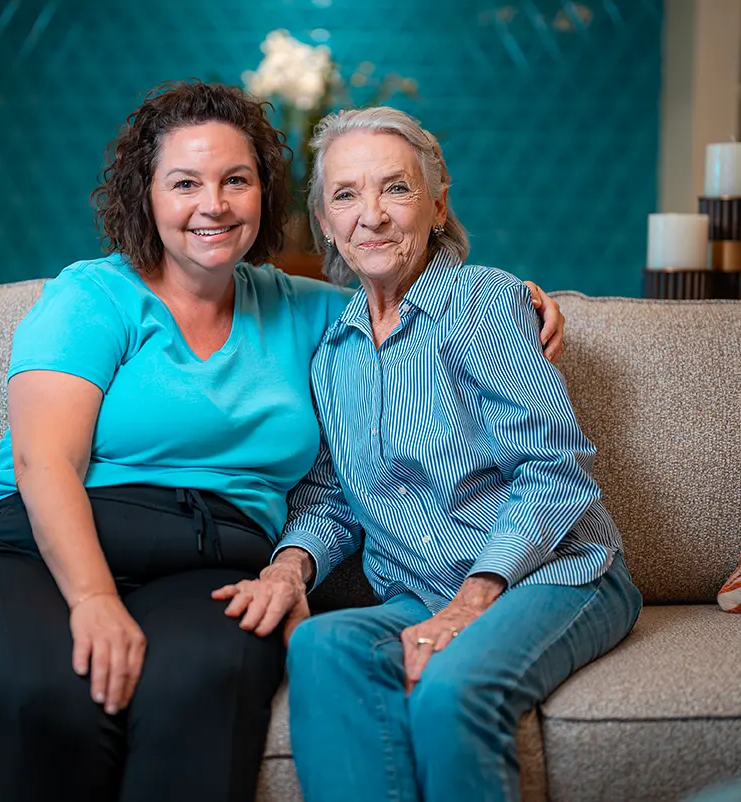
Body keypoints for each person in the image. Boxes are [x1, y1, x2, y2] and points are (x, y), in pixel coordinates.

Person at [0, 83, 568, 802]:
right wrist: (93, 598)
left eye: (236, 180)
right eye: (185, 183)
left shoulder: (307, 310)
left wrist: (520, 300)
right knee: (50, 699)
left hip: (211, 561)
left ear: (266, 195)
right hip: (33, 547)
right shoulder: (93, 297)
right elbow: (45, 461)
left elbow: (406, 290)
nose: (214, 204)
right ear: (145, 195)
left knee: (206, 686)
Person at [219, 106, 643, 802]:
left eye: (397, 188)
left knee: (451, 686)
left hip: (555, 576)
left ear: (438, 205)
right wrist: (289, 567)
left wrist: (473, 601)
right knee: (321, 647)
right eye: (346, 195)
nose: (372, 215)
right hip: (422, 594)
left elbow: (554, 472)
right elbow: (333, 499)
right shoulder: (335, 349)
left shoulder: (485, 303)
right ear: (324, 221)